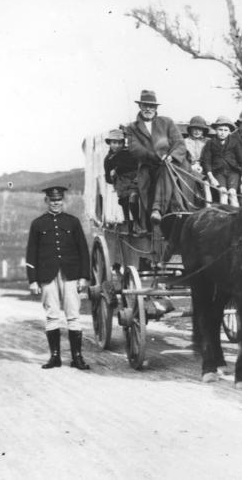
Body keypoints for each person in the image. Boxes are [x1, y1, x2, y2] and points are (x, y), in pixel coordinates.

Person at [25, 186, 91, 370]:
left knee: (73, 316)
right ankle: (55, 357)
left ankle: (77, 357)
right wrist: (33, 280)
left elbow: (83, 251)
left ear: (63, 201)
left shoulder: (73, 222)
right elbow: (31, 253)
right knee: (52, 315)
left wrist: (84, 277)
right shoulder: (38, 224)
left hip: (70, 274)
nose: (56, 203)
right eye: (52, 200)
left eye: (59, 200)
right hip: (47, 276)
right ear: (46, 201)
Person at [123, 90, 191, 227]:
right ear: (140, 106)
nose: (148, 109)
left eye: (151, 106)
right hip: (149, 167)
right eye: (145, 105)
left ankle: (159, 209)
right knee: (163, 170)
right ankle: (161, 209)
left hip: (174, 164)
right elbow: (135, 149)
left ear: (156, 108)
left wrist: (171, 157)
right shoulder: (132, 128)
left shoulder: (166, 122)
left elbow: (179, 143)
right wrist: (158, 157)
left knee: (169, 169)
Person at [103, 129, 144, 235]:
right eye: (114, 143)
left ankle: (137, 222)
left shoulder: (129, 153)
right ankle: (132, 223)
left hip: (134, 179)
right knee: (129, 196)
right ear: (110, 143)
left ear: (123, 143)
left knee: (136, 194)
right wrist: (113, 175)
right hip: (121, 182)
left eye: (120, 143)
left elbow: (137, 165)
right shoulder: (108, 159)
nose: (117, 145)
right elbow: (107, 178)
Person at [200, 116, 241, 206]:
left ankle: (238, 216)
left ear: (229, 131)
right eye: (220, 129)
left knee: (232, 194)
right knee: (223, 194)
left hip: (233, 172)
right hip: (218, 172)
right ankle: (224, 217)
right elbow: (206, 161)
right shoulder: (210, 143)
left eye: (225, 130)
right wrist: (211, 177)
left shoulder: (235, 142)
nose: (222, 133)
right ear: (216, 130)